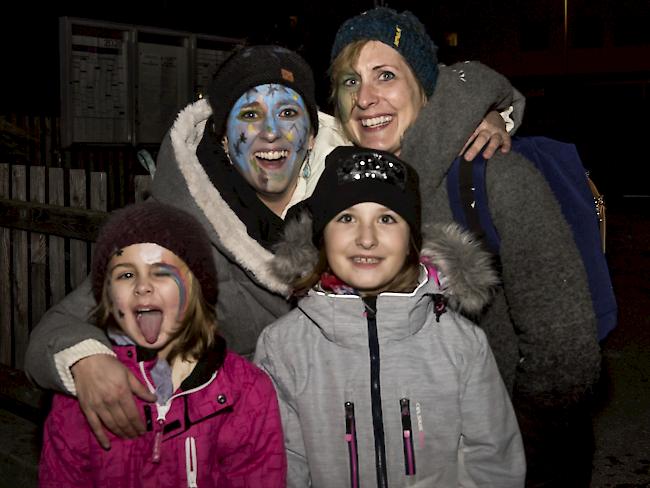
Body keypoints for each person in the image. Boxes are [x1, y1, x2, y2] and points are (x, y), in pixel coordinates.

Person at [25, 45, 518, 449]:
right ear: (221, 137)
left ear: (309, 135)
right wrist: (85, 360)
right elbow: (61, 326)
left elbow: (421, 105)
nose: (270, 132)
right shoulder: (180, 230)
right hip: (249, 456)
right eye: (250, 114)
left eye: (288, 113)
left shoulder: (351, 190)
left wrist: (492, 118)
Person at [326, 7, 601, 487]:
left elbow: (566, 356)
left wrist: (512, 455)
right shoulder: (346, 188)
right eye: (351, 81)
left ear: (423, 86)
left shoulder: (495, 177)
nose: (365, 98)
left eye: (385, 75)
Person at [255, 145, 526, 487]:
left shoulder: (462, 344)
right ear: (322, 236)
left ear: (411, 238)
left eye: (386, 219)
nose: (366, 239)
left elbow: (492, 461)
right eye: (346, 218)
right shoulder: (283, 347)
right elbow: (282, 466)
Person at [38, 201, 286, 487]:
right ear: (108, 296)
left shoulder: (246, 390)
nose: (143, 286)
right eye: (126, 275)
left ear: (197, 287)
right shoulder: (85, 392)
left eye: (162, 272)